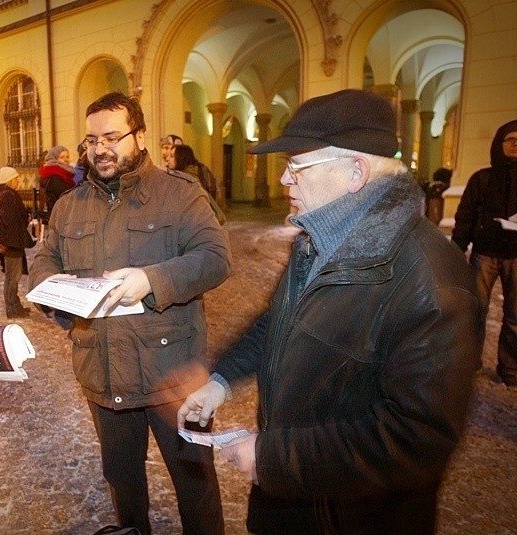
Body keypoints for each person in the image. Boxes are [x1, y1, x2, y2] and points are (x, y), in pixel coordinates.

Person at [178, 89, 482, 534]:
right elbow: (277, 322)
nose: (284, 181)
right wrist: (221, 381)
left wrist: (273, 458)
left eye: (295, 167)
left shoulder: (431, 280)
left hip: (352, 518)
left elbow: (417, 439)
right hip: (288, 505)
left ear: (355, 172)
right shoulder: (317, 241)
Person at [29, 92, 231, 534]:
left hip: (172, 375)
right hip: (104, 373)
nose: (99, 149)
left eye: (111, 137)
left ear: (139, 135)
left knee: (195, 484)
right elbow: (44, 261)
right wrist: (55, 292)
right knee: (123, 484)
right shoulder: (69, 205)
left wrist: (152, 280)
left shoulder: (180, 195)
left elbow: (216, 257)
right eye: (90, 140)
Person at [452, 120, 517, 387]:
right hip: (485, 254)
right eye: (510, 140)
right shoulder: (483, 178)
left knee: (515, 317)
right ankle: (470, 364)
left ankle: (511, 370)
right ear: (499, 144)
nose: (515, 145)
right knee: (476, 312)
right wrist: (458, 245)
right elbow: (465, 215)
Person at [0, 166, 34, 319]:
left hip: (11, 242)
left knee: (13, 276)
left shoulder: (5, 194)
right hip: (11, 243)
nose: (18, 180)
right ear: (9, 181)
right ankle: (12, 308)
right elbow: (10, 221)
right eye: (15, 178)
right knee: (12, 276)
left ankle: (15, 305)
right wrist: (24, 217)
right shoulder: (8, 196)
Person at [38, 144, 76, 216]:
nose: (66, 159)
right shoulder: (55, 177)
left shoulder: (66, 174)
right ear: (54, 159)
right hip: (60, 215)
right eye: (62, 157)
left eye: (67, 157)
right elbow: (65, 196)